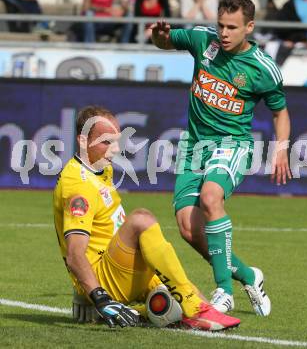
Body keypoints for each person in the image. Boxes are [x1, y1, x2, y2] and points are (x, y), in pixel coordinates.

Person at [151, 0, 291, 314]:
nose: (224, 33)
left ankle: (223, 291)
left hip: (232, 144)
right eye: (221, 25)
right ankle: (247, 275)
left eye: (232, 27)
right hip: (194, 147)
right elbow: (165, 40)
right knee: (188, 228)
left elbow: (280, 111)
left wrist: (281, 149)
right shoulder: (204, 40)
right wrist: (159, 37)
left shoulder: (262, 69)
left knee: (211, 198)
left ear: (249, 27)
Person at [53, 105, 241, 330]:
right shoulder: (78, 186)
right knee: (141, 219)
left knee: (178, 302)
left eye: (116, 142)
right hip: (107, 279)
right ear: (83, 141)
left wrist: (83, 296)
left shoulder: (100, 167)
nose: (113, 150)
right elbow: (75, 254)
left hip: (120, 267)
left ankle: (167, 309)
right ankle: (192, 308)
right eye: (106, 142)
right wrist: (98, 297)